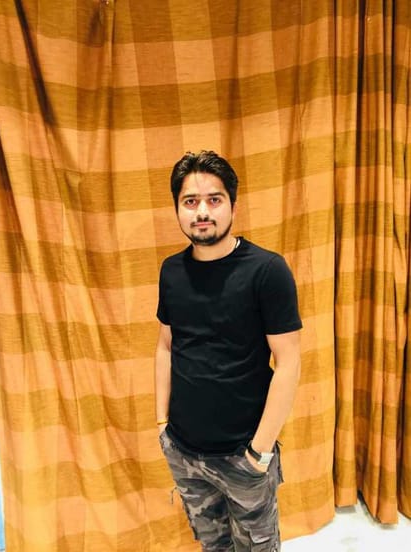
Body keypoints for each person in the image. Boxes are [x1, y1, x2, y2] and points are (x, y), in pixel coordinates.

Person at [155, 150, 302, 551]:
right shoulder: (171, 271)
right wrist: (162, 424)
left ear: (233, 206)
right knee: (212, 545)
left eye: (214, 199)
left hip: (244, 455)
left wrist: (260, 451)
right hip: (184, 451)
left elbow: (288, 362)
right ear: (177, 209)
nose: (202, 211)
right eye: (190, 201)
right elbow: (166, 345)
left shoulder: (267, 271)